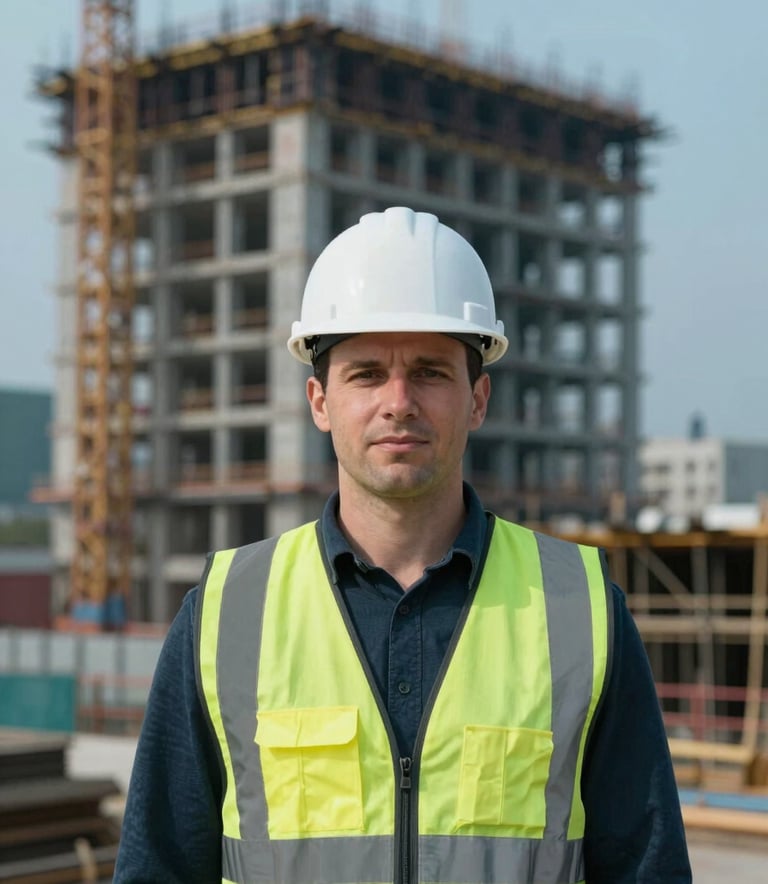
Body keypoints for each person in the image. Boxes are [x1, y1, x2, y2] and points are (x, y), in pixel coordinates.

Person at [114, 207, 691, 883]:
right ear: (319, 400)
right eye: (364, 373)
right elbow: (156, 869)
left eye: (430, 371)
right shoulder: (226, 613)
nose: (399, 401)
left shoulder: (581, 610)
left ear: (477, 399)